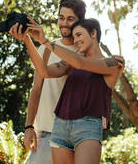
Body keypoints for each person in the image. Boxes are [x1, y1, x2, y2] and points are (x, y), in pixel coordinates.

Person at [10, 18, 124, 164]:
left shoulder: (114, 63)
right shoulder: (71, 63)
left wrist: (44, 40)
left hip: (87, 126)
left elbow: (81, 63)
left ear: (93, 33)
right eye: (74, 36)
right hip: (60, 125)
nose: (75, 41)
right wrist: (28, 40)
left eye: (79, 35)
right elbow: (44, 71)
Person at [21, 0, 86, 164]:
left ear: (80, 22)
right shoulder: (45, 50)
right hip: (44, 135)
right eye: (61, 17)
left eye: (70, 19)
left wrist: (41, 40)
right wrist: (29, 127)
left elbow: (54, 71)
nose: (64, 23)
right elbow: (36, 90)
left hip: (70, 138)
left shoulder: (83, 52)